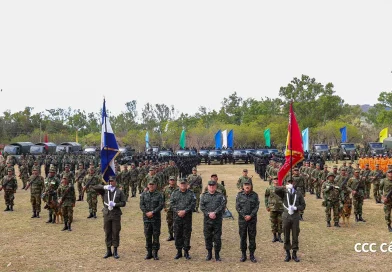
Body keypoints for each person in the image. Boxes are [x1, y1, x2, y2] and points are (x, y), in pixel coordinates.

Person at [93, 176, 126, 259]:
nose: (111, 183)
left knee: (115, 232)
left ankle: (115, 251)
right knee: (107, 232)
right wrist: (104, 186)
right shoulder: (105, 190)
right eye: (110, 181)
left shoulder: (119, 192)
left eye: (112, 181)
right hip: (107, 214)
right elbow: (94, 187)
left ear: (115, 182)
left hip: (115, 214)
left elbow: (123, 203)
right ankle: (108, 251)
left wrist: (115, 204)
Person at [275, 179, 306, 262]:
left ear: (294, 183)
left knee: (295, 235)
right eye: (289, 182)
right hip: (286, 216)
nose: (291, 184)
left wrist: (296, 208)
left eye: (292, 182)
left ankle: (294, 253)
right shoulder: (284, 192)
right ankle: (287, 253)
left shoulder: (298, 193)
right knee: (286, 235)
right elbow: (276, 190)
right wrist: (285, 187)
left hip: (295, 217)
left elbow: (303, 205)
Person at [200, 180, 226, 261]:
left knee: (217, 238)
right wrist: (208, 213)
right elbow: (202, 206)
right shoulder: (203, 196)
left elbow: (222, 205)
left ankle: (217, 255)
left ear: (215, 186)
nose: (211, 187)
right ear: (208, 186)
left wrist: (215, 212)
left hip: (217, 220)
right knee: (208, 237)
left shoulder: (220, 195)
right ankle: (209, 254)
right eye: (210, 185)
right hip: (207, 221)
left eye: (213, 185)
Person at [170, 178, 196, 260]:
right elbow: (171, 204)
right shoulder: (174, 193)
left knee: (186, 235)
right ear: (178, 184)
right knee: (177, 234)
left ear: (187, 184)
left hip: (187, 218)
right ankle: (179, 252)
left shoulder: (191, 193)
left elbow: (193, 204)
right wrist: (178, 211)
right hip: (177, 218)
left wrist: (185, 211)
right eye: (181, 184)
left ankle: (186, 252)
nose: (183, 185)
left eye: (184, 184)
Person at [236, 179, 260, 262]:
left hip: (252, 220)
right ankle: (243, 255)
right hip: (242, 220)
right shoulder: (239, 195)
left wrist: (251, 215)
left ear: (251, 186)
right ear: (243, 186)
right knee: (243, 237)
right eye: (245, 185)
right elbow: (237, 207)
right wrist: (244, 215)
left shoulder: (255, 195)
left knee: (252, 237)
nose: (247, 186)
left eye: (248, 185)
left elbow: (256, 207)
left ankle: (252, 255)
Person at [140, 180, 164, 260]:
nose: (151, 186)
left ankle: (155, 253)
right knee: (147, 235)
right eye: (150, 184)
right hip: (147, 219)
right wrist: (147, 212)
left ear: (155, 185)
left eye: (153, 184)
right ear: (147, 185)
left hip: (156, 219)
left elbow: (161, 205)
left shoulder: (159, 194)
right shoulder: (143, 194)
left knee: (156, 235)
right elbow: (141, 205)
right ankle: (149, 252)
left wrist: (153, 212)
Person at [265, 176, 284, 243]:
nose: (276, 180)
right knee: (273, 222)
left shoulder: (282, 188)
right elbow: (266, 197)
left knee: (280, 222)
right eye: (274, 179)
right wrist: (267, 205)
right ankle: (274, 236)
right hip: (272, 208)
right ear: (272, 180)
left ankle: (279, 236)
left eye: (277, 179)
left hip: (281, 207)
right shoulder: (269, 188)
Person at [163, 176, 178, 241]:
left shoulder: (178, 188)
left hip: (176, 208)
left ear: (175, 181)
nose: (172, 181)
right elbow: (163, 198)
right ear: (169, 181)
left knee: (177, 222)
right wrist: (164, 207)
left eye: (173, 180)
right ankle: (171, 235)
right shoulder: (165, 188)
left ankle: (176, 235)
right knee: (169, 222)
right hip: (168, 208)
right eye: (171, 180)